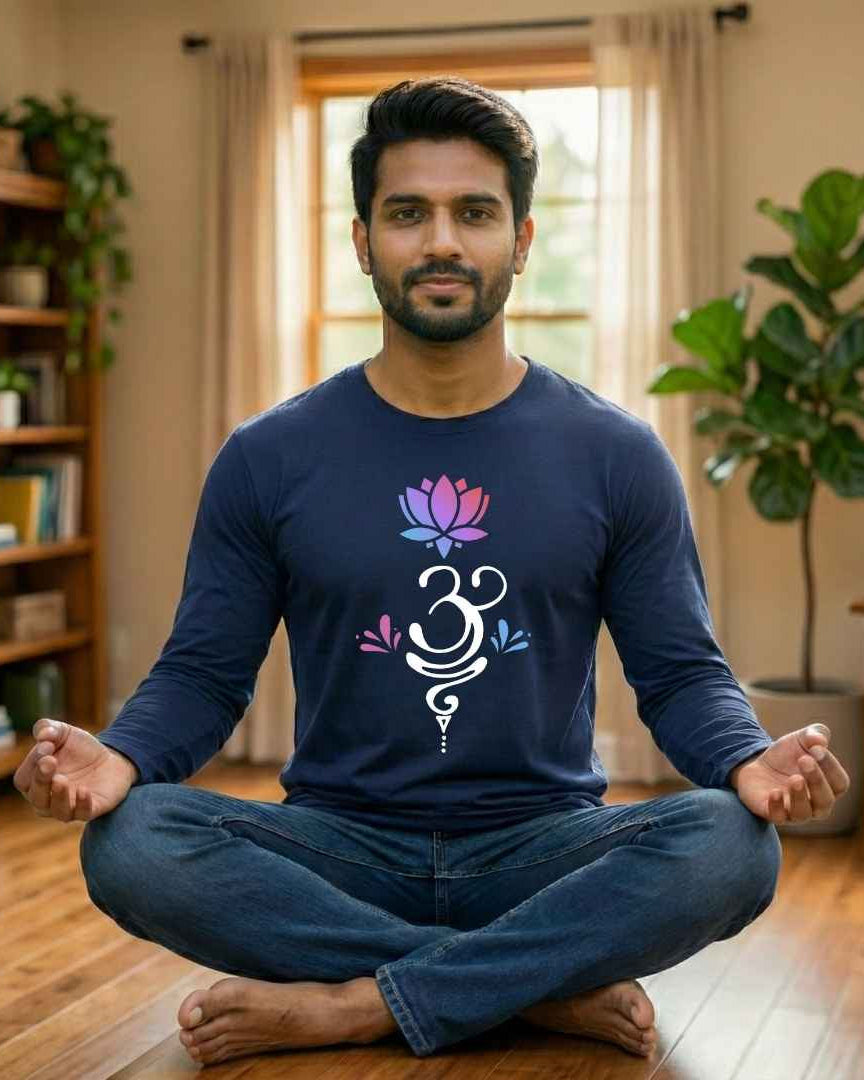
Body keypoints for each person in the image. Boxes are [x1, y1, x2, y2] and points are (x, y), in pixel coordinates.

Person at [14, 76, 850, 1068]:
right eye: (409, 213)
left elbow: (677, 673)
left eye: (475, 213)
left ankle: (356, 1002)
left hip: (541, 849)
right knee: (131, 843)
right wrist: (121, 758)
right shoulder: (269, 457)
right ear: (365, 241)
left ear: (522, 240)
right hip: (337, 849)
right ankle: (528, 988)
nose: (442, 241)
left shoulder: (617, 455)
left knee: (732, 847)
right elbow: (204, 672)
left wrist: (747, 761)